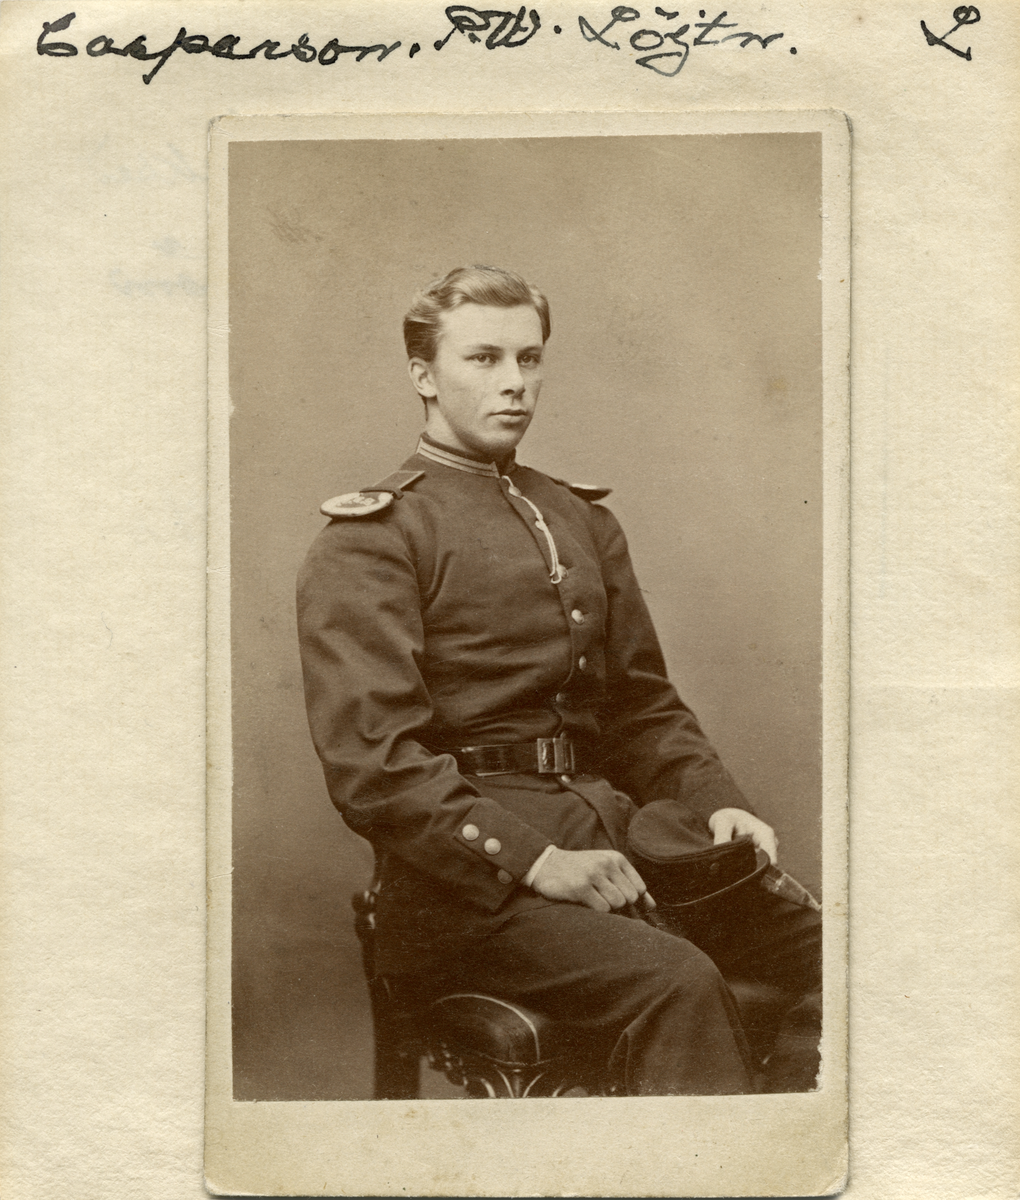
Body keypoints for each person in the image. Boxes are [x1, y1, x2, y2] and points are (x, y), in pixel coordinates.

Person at [297, 265, 821, 1096]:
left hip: (617, 849)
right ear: (423, 375)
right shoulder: (373, 539)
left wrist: (719, 799)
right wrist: (535, 860)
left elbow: (642, 707)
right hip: (468, 895)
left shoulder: (580, 518)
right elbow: (376, 768)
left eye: (529, 358)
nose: (514, 382)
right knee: (678, 984)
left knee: (842, 960)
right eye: (484, 358)